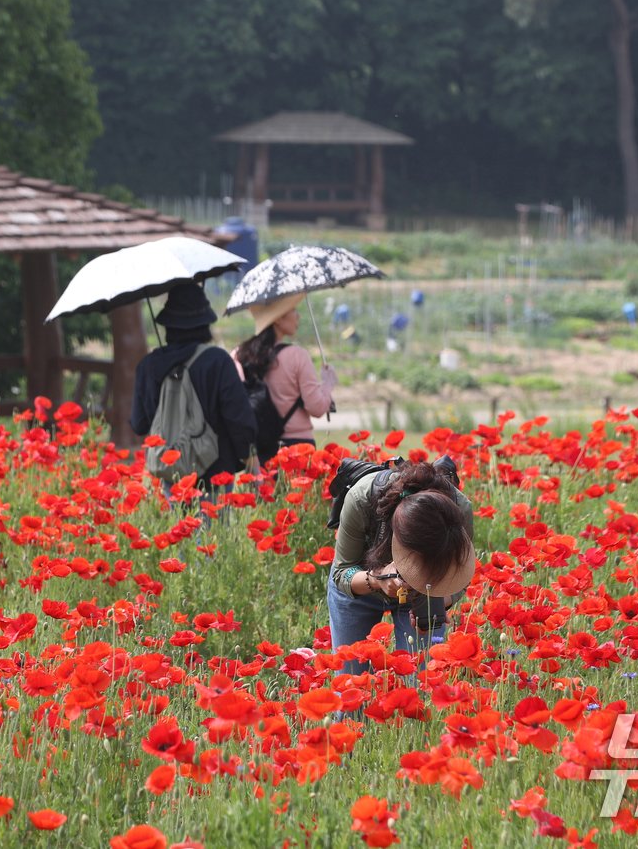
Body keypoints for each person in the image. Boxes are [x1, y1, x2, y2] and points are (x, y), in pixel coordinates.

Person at [327, 459, 476, 674]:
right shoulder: (362, 499)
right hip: (361, 584)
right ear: (398, 540)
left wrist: (440, 599)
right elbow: (342, 572)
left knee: (422, 680)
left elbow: (459, 573)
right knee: (350, 682)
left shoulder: (460, 509)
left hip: (424, 591)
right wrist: (376, 579)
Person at [131, 283, 255, 489]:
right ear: (204, 323)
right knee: (214, 521)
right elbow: (239, 420)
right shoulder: (217, 361)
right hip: (216, 472)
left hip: (172, 475)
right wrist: (249, 459)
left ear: (168, 325)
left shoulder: (148, 366)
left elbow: (139, 424)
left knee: (178, 522)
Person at [231, 293, 338, 447]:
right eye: (293, 310)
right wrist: (328, 383)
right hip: (298, 446)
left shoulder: (238, 355)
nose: (298, 316)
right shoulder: (297, 356)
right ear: (278, 318)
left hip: (260, 447)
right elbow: (317, 408)